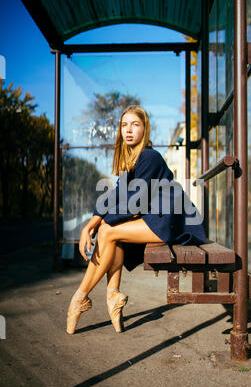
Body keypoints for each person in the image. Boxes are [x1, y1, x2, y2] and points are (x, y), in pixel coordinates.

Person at [66, 105, 206, 335]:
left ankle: (79, 297)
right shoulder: (132, 162)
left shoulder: (149, 157)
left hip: (169, 220)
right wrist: (92, 222)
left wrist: (102, 224)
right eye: (124, 125)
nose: (128, 130)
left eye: (135, 124)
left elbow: (135, 203)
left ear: (145, 129)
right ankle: (112, 296)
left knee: (109, 230)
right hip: (157, 218)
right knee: (110, 232)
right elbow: (116, 195)